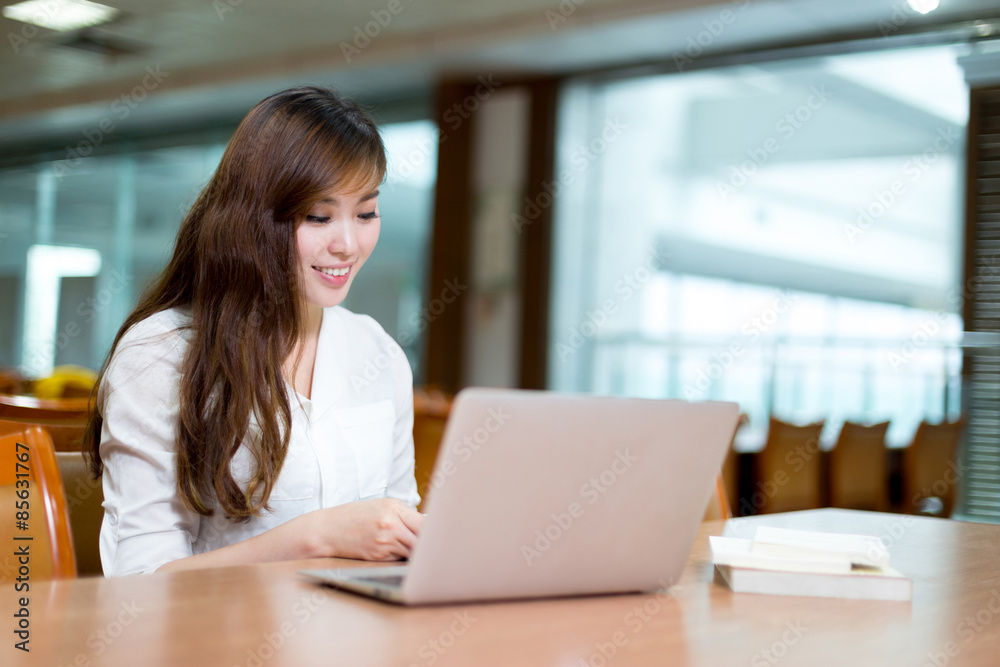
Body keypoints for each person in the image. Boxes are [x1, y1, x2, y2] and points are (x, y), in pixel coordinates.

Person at [83, 86, 423, 576]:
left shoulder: (378, 352)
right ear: (252, 219)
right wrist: (316, 538)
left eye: (366, 213)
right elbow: (139, 582)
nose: (348, 244)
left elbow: (397, 525)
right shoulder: (160, 355)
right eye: (318, 216)